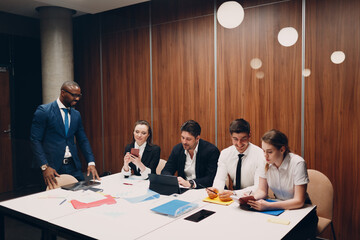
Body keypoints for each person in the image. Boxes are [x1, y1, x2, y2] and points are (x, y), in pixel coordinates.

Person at [248, 129, 318, 239]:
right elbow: (262, 191)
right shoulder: (264, 161)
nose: (265, 155)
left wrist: (268, 206)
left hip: (302, 213)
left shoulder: (297, 163)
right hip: (279, 210)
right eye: (263, 151)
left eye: (270, 152)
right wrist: (250, 198)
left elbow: (299, 201)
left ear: (282, 149)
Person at [31, 81, 100, 189]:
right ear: (63, 93)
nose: (77, 99)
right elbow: (35, 140)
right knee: (54, 202)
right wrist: (45, 166)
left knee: (81, 196)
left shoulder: (76, 115)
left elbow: (83, 140)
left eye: (79, 95)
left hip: (74, 167)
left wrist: (91, 162)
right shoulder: (44, 111)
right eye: (74, 95)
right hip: (52, 168)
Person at [206, 118, 265, 201]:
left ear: (249, 135)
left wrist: (235, 193)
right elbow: (220, 179)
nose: (239, 144)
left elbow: (258, 187)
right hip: (232, 199)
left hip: (254, 199)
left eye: (243, 139)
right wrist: (215, 190)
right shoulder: (225, 153)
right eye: (235, 139)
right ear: (231, 137)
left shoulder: (260, 154)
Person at [161, 120, 220, 189]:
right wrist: (173, 180)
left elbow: (211, 178)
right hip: (184, 191)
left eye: (188, 139)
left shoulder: (211, 151)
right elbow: (166, 170)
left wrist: (190, 183)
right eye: (182, 137)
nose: (184, 142)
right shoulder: (177, 149)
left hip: (204, 190)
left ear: (197, 138)